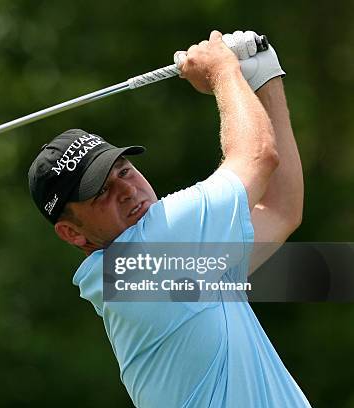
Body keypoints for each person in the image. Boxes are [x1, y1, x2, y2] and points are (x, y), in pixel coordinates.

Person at [27, 30, 309, 407]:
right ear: (72, 233)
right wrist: (224, 71)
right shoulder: (142, 261)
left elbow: (280, 210)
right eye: (100, 192)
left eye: (123, 171)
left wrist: (264, 76)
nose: (125, 190)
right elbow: (258, 157)